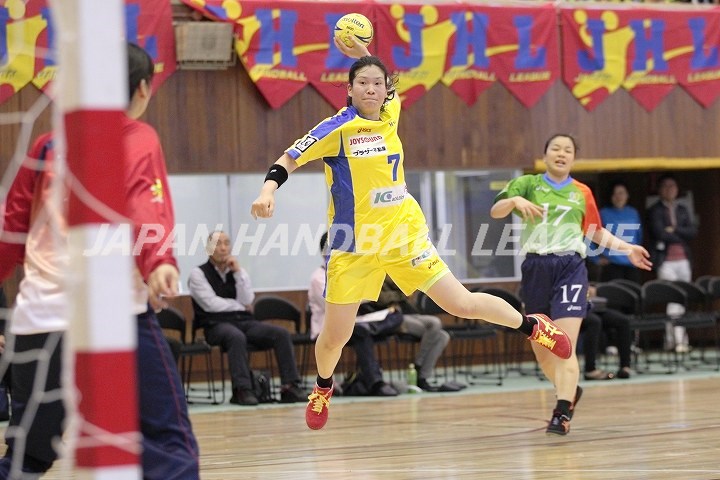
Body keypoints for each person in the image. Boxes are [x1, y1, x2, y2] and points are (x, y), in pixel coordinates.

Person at [251, 37, 574, 431]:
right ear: (349, 89)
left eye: (378, 83)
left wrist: (363, 54)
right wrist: (267, 191)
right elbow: (288, 159)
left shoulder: (391, 111)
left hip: (403, 234)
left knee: (461, 303)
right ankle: (322, 388)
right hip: (353, 244)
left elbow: (384, 78)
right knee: (336, 336)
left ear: (386, 89)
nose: (371, 89)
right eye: (362, 83)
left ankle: (534, 327)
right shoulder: (336, 128)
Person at [0, 43, 200, 478]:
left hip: (39, 324)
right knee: (169, 446)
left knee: (27, 457)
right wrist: (159, 261)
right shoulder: (135, 137)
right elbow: (143, 203)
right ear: (143, 89)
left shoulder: (46, 145)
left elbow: (9, 231)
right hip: (113, 321)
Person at [490, 133, 651, 435]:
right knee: (542, 350)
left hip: (570, 267)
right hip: (536, 268)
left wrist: (627, 248)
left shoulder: (581, 192)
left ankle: (562, 410)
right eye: (556, 148)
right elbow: (496, 211)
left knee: (564, 344)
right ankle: (571, 389)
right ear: (545, 154)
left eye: (568, 150)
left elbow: (595, 232)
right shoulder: (527, 184)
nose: (561, 154)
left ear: (574, 158)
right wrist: (513, 200)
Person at [187, 230, 306, 406]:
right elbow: (211, 304)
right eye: (218, 244)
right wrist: (239, 305)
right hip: (215, 324)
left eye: (226, 243)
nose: (223, 248)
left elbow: (248, 299)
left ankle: (290, 386)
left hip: (244, 321)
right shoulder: (198, 274)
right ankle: (243, 390)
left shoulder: (237, 271)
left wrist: (237, 273)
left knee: (280, 333)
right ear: (208, 249)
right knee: (235, 336)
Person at [308, 232, 399, 397]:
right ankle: (375, 383)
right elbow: (337, 303)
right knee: (362, 332)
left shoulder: (349, 272)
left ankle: (371, 332)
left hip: (354, 323)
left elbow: (366, 296)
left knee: (395, 316)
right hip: (327, 330)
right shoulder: (318, 278)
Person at [366, 276, 451, 392]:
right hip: (391, 317)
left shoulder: (396, 275)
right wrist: (401, 295)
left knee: (443, 336)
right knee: (435, 323)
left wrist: (400, 288)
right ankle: (419, 367)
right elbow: (381, 298)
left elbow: (409, 292)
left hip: (409, 313)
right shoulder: (375, 276)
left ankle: (421, 375)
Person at [646, 174, 697, 353]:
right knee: (672, 299)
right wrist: (678, 234)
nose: (670, 190)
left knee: (682, 299)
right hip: (665, 260)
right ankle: (676, 341)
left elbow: (692, 232)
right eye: (666, 186)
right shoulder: (655, 210)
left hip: (684, 260)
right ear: (660, 190)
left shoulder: (682, 209)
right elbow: (659, 233)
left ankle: (675, 340)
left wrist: (674, 229)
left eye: (672, 186)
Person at [580, 287, 633, 380]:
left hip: (592, 305)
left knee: (623, 321)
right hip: (572, 307)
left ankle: (625, 366)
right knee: (594, 322)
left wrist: (591, 287)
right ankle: (590, 369)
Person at [596, 181, 643, 284]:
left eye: (621, 193)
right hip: (611, 264)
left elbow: (639, 236)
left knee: (633, 292)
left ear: (627, 195)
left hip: (632, 263)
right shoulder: (603, 213)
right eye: (615, 194)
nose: (618, 197)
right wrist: (595, 259)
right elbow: (591, 236)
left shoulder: (633, 213)